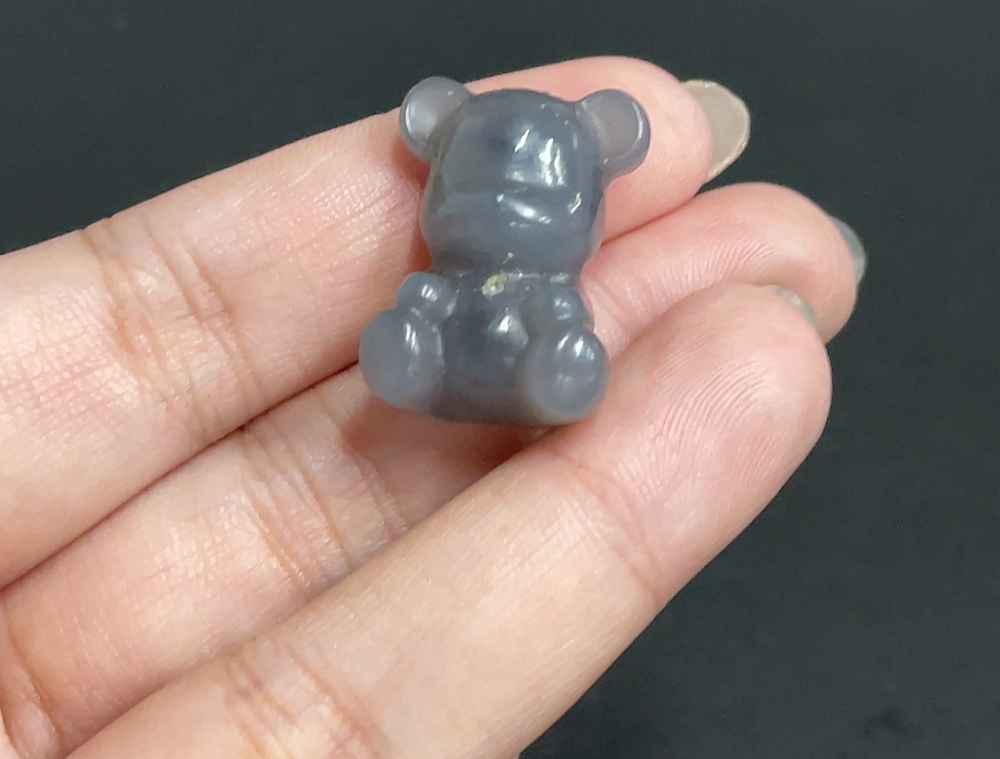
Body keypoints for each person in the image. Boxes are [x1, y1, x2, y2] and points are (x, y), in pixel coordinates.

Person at [0, 57, 863, 759]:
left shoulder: (552, 289)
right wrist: (416, 322)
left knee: (561, 346)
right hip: (444, 338)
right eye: (478, 190)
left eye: (541, 197)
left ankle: (553, 378)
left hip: (528, 341)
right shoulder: (437, 277)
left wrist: (550, 339)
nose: (508, 207)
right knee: (420, 326)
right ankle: (420, 365)